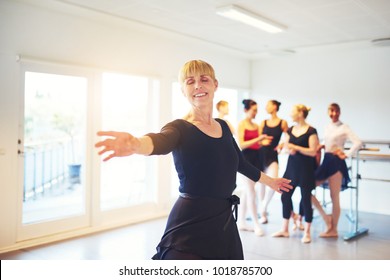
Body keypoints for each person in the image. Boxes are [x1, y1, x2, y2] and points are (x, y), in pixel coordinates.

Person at [95, 60, 292, 260]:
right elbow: (161, 141)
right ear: (183, 90)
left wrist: (271, 182)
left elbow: (240, 163)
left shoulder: (223, 127)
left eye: (204, 79)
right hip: (191, 221)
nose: (198, 85)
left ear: (215, 85)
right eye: (190, 81)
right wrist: (136, 144)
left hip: (223, 220)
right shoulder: (180, 127)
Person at [311, 103, 362, 238]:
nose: (333, 114)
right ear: (328, 112)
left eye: (336, 111)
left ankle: (334, 230)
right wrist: (323, 145)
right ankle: (326, 218)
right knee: (307, 188)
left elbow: (358, 142)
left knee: (334, 197)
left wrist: (346, 154)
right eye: (331, 111)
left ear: (340, 112)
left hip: (337, 163)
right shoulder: (327, 127)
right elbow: (328, 142)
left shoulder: (344, 127)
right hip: (326, 161)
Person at [272, 104, 319, 243]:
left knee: (305, 199)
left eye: (293, 112)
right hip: (291, 168)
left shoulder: (311, 131)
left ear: (300, 113)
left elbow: (312, 151)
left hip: (306, 169)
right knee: (285, 196)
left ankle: (307, 231)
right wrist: (285, 148)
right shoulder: (291, 130)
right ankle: (285, 229)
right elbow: (287, 147)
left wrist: (295, 147)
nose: (290, 114)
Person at [237, 99, 272, 236]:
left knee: (248, 192)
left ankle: (241, 222)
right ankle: (256, 224)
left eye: (257, 110)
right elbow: (242, 144)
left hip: (257, 159)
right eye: (254, 110)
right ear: (246, 110)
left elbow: (257, 145)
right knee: (251, 192)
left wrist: (264, 141)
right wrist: (259, 139)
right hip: (245, 160)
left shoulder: (257, 126)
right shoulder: (242, 124)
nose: (256, 113)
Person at [258, 100, 288, 224]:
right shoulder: (263, 122)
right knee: (261, 184)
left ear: (275, 107)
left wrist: (282, 144)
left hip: (273, 155)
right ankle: (263, 215)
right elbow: (258, 139)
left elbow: (288, 137)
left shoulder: (282, 122)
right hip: (261, 155)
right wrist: (262, 142)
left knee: (273, 181)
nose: (266, 107)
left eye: (268, 104)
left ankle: (263, 207)